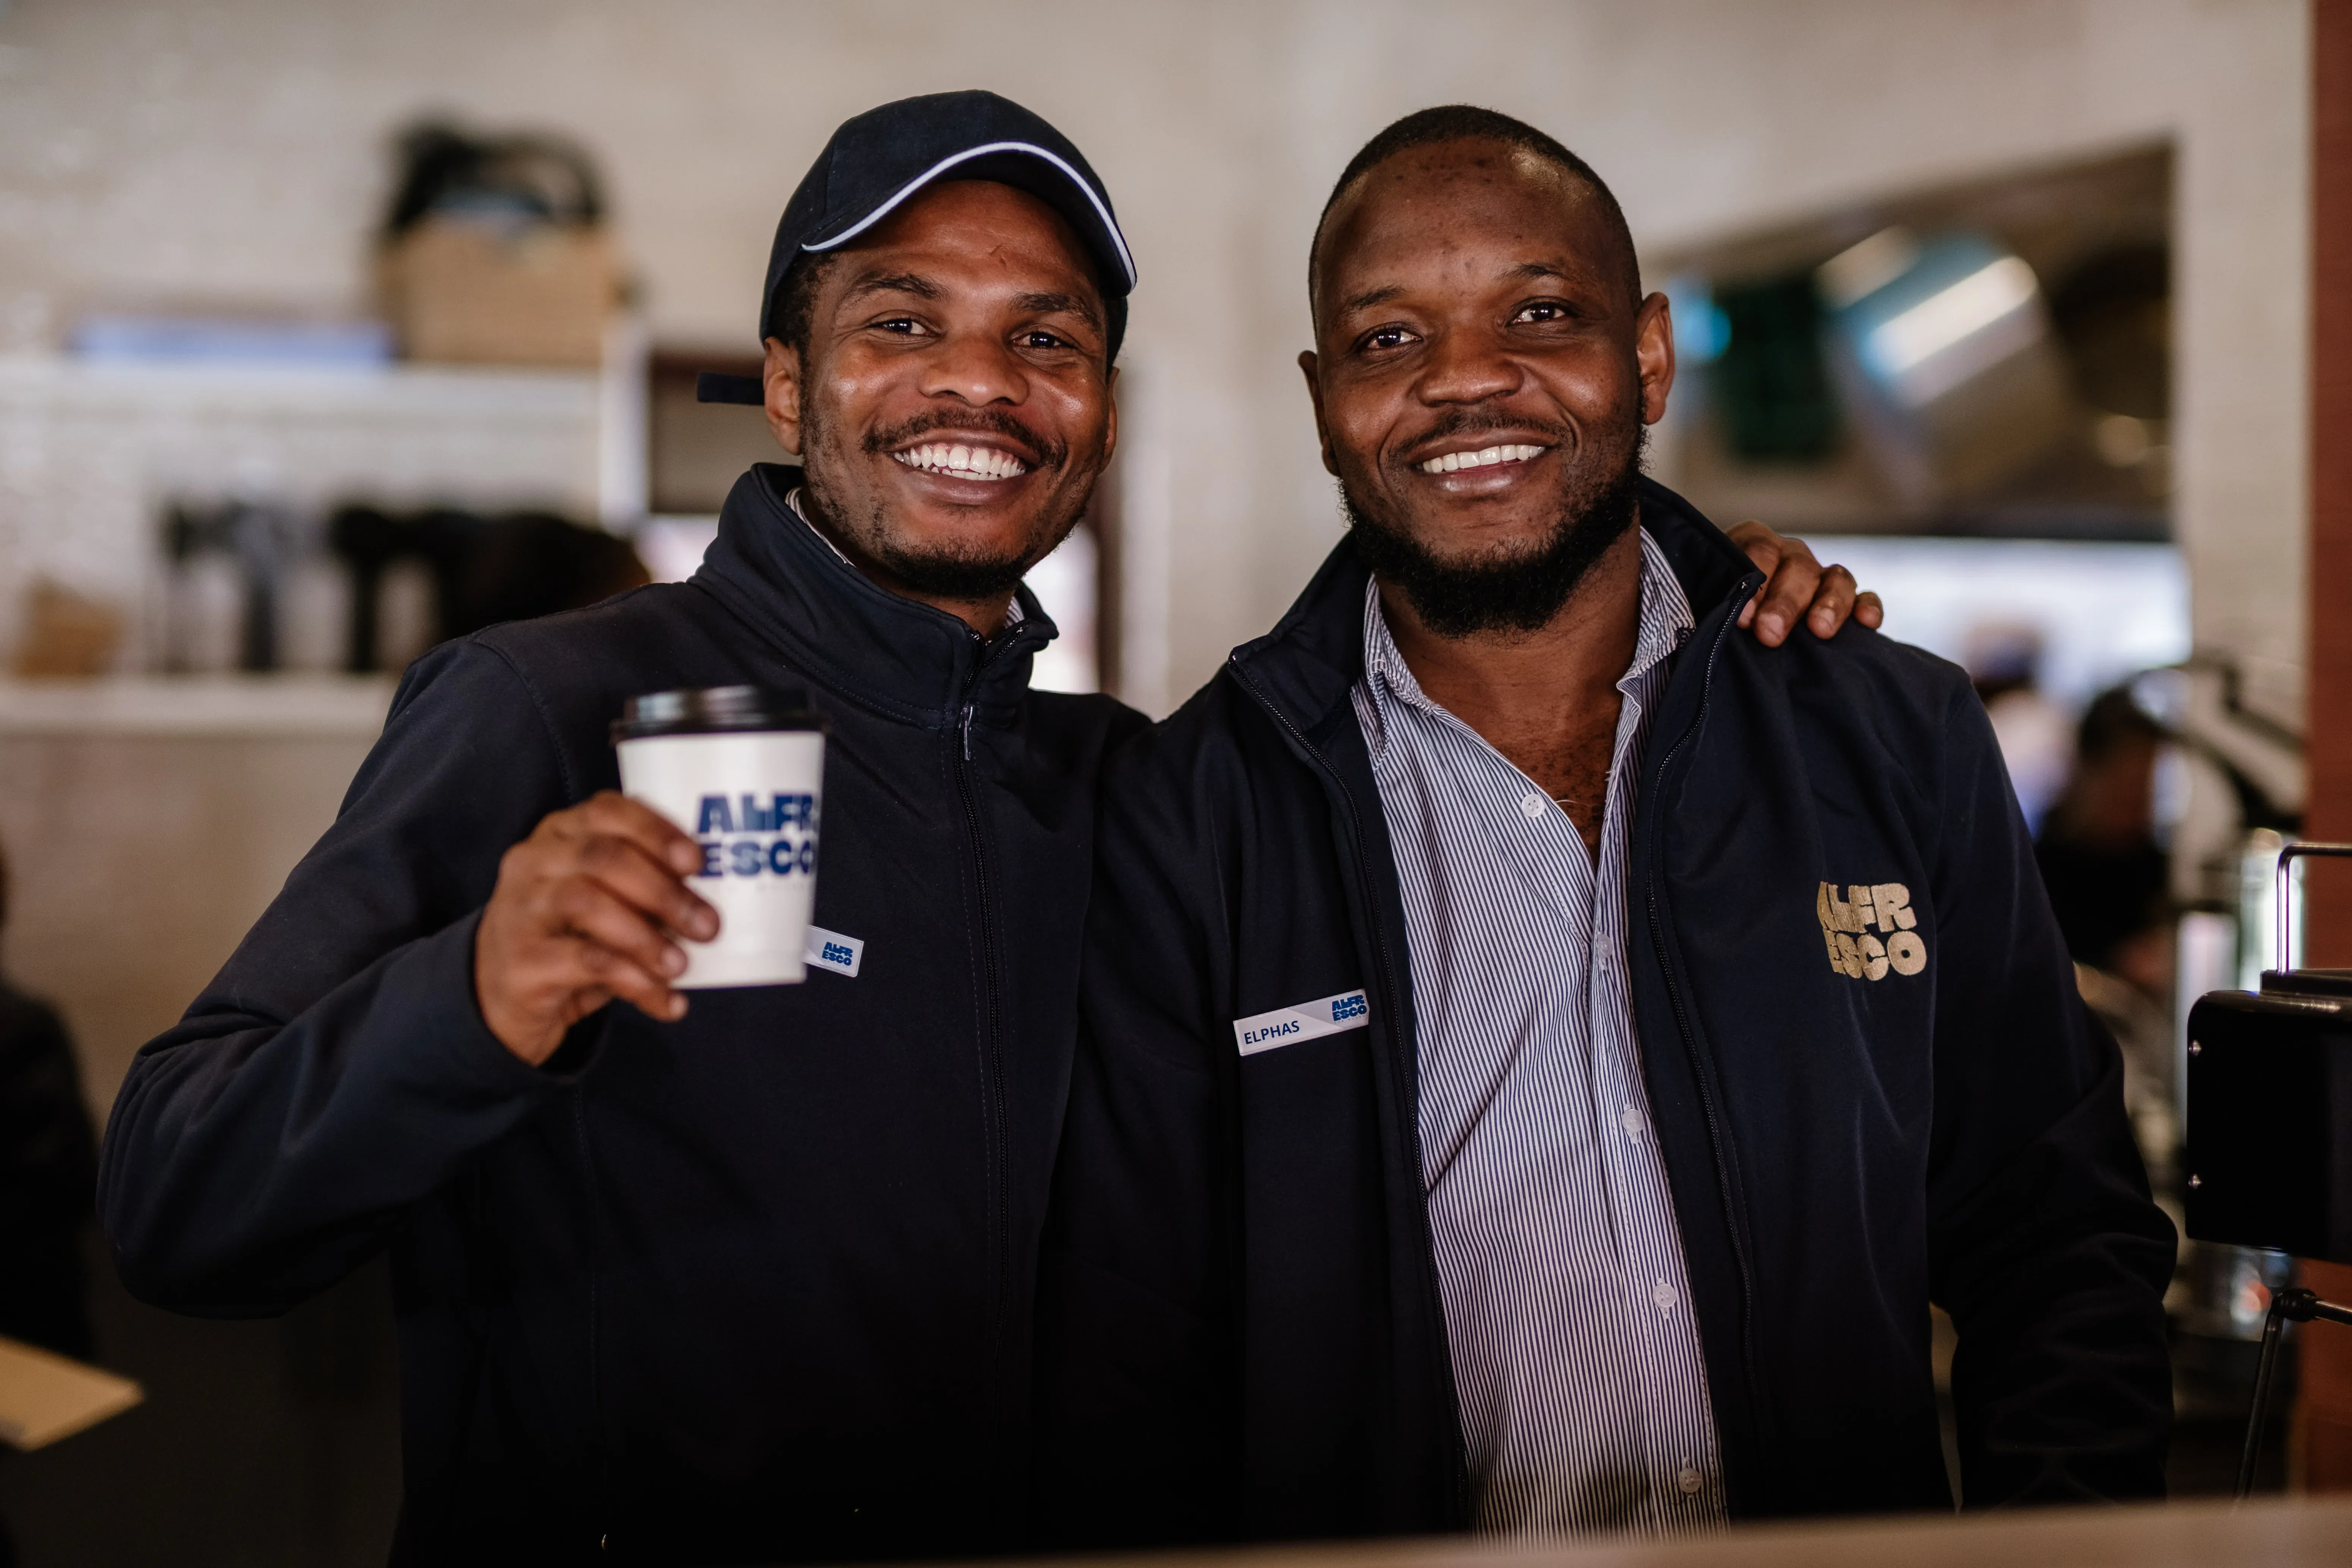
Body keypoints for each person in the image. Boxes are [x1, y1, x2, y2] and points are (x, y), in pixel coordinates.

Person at [97, 91, 1866, 1565]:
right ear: (789, 386)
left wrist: (1713, 590)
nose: (981, 383)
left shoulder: (1128, 781)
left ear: (1096, 410)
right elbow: (182, 1201)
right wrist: (471, 998)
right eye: (901, 322)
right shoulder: (554, 707)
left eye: (1048, 338)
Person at [1036, 106, 2176, 1545]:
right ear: (1327, 400)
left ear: (1644, 356)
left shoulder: (1890, 737)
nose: (1466, 380)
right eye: (1392, 339)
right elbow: (1133, 1363)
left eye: (1539, 310)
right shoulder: (1197, 813)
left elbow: (2058, 1240)